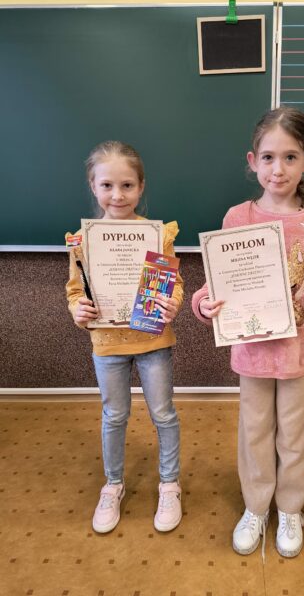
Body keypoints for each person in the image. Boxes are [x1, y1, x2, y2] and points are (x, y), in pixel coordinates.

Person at [191, 107, 304, 559]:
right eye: (268, 157)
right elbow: (215, 283)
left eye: (290, 157)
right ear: (252, 160)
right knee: (255, 433)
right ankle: (256, 506)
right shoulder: (237, 218)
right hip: (253, 355)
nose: (277, 169)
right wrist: (204, 304)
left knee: (295, 435)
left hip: (301, 353)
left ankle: (291, 508)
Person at [66, 141, 183, 534]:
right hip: (107, 344)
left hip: (153, 342)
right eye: (107, 185)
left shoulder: (156, 236)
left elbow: (174, 284)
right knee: (114, 416)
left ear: (141, 186)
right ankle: (113, 484)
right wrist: (78, 310)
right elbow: (75, 290)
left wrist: (172, 303)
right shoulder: (82, 242)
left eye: (127, 185)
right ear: (93, 185)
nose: (117, 195)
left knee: (163, 414)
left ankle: (170, 484)